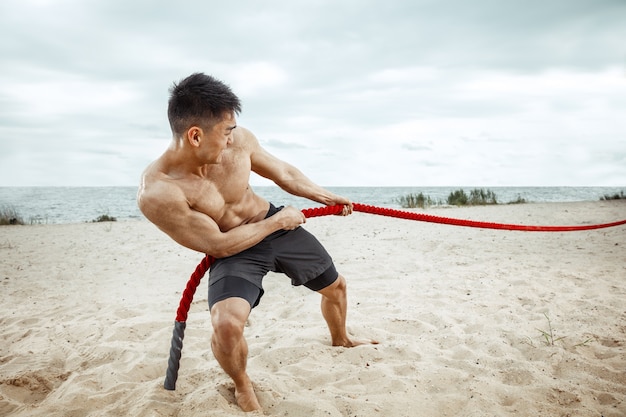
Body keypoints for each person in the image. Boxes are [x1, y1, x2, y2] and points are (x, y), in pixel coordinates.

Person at [138, 72, 376, 412]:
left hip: (274, 225)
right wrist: (279, 221)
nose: (232, 138)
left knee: (336, 288)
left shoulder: (239, 142)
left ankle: (341, 337)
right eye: (225, 132)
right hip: (235, 248)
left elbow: (285, 174)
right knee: (226, 325)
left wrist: (326, 197)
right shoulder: (159, 193)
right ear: (194, 136)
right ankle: (241, 382)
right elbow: (219, 245)